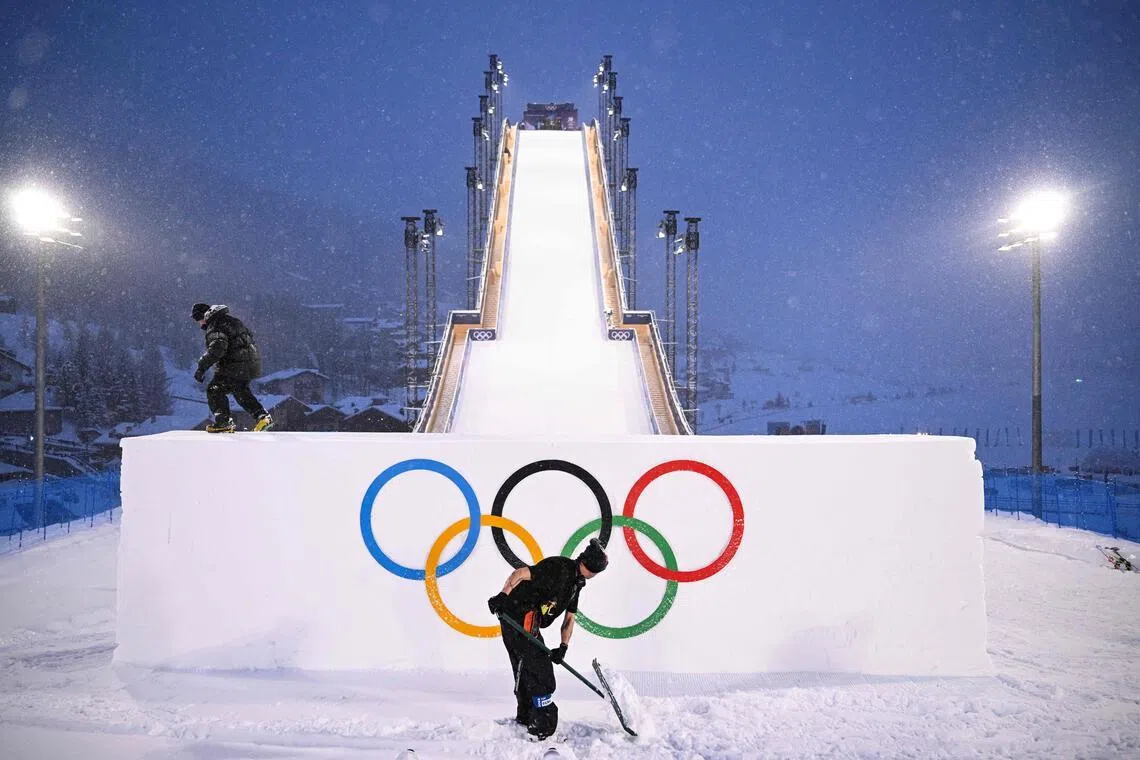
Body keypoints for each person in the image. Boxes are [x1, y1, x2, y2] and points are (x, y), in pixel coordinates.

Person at [487, 538, 609, 740]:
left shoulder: (576, 584)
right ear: (589, 566)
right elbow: (520, 573)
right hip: (517, 613)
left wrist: (563, 646)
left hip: (530, 619)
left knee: (528, 666)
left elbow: (570, 618)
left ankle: (527, 716)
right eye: (596, 572)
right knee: (540, 670)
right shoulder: (558, 567)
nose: (595, 576)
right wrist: (502, 596)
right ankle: (541, 724)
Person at [191, 302, 272, 433]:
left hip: (233, 365)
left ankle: (223, 422)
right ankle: (262, 417)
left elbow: (217, 348)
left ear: (204, 316)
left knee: (214, 390)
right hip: (249, 364)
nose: (199, 324)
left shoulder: (215, 325)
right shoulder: (231, 321)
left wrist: (201, 367)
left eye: (198, 320)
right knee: (240, 391)